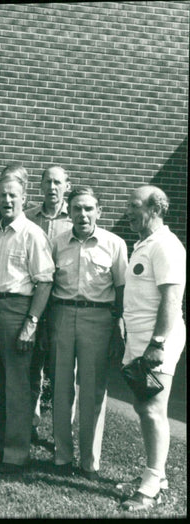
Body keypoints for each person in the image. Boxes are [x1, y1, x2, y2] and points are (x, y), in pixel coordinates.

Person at [49, 185, 127, 479]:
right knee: (61, 386)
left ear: (99, 211)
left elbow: (121, 290)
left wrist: (119, 331)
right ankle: (61, 456)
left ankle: (89, 462)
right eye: (77, 208)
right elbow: (49, 284)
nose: (83, 214)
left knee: (93, 389)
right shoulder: (56, 243)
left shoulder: (115, 243)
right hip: (62, 314)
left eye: (88, 208)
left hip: (99, 318)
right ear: (68, 212)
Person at [0, 171, 54, 473]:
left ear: (24, 199)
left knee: (17, 384)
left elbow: (45, 282)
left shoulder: (32, 234)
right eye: (2, 195)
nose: (7, 200)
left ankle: (15, 452)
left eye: (13, 195)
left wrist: (31, 323)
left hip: (18, 311)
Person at [119, 185, 185, 511]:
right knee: (143, 407)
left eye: (133, 206)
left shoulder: (166, 246)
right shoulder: (144, 244)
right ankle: (155, 476)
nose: (127, 211)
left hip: (158, 341)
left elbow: (172, 299)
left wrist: (157, 344)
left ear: (155, 208)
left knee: (153, 410)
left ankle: (152, 485)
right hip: (139, 339)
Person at [25, 165, 73, 442]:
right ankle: (29, 423)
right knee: (31, 367)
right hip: (33, 300)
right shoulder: (29, 217)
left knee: (62, 372)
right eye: (48, 182)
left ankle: (61, 434)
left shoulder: (76, 217)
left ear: (67, 186)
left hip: (62, 304)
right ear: (40, 185)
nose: (52, 187)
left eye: (58, 182)